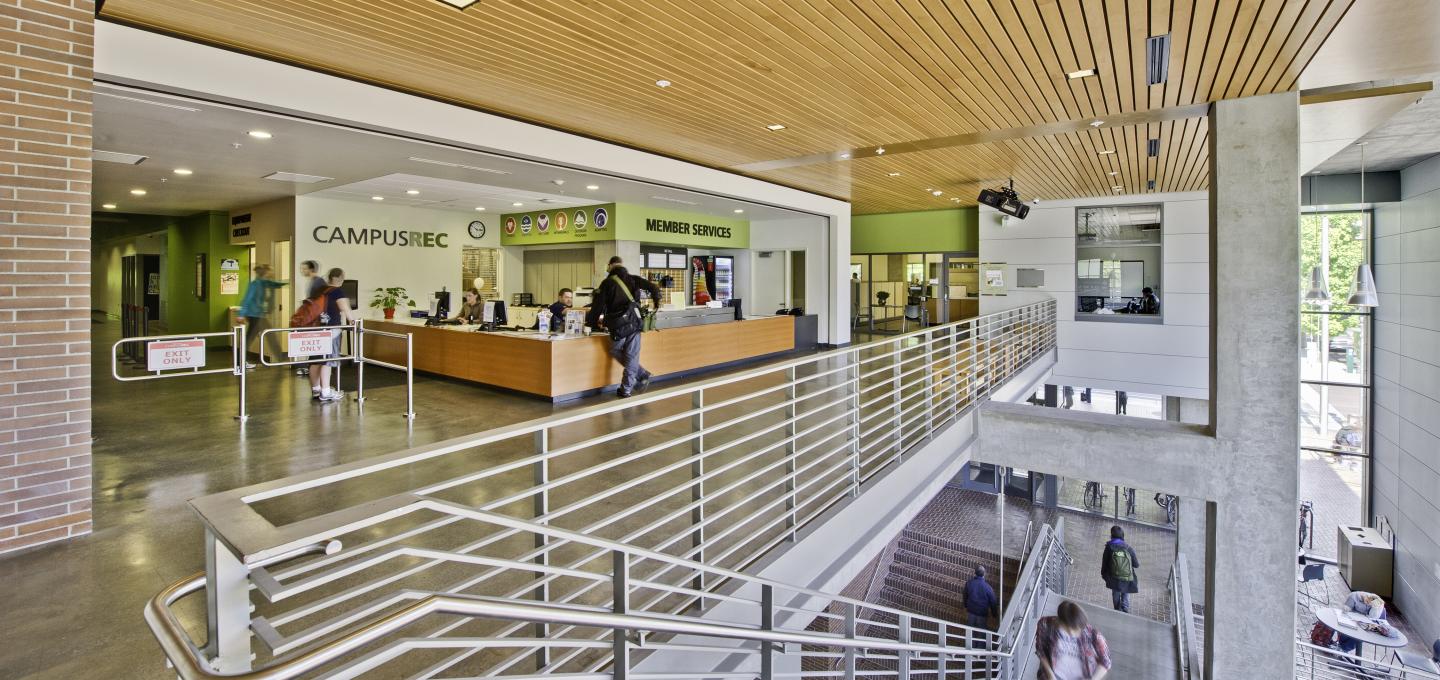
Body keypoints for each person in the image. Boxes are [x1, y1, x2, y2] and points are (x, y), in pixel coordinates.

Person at [587, 265, 661, 398]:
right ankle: (635, 380)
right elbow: (654, 288)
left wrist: (591, 324)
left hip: (618, 325)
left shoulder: (607, 283)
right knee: (632, 355)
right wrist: (656, 303)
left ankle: (629, 386)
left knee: (615, 350)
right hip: (635, 322)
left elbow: (597, 306)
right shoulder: (633, 279)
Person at [1035, 600, 1111, 680]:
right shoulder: (1045, 624)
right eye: (1071, 629)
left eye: (1078, 629)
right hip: (1054, 675)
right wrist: (1050, 674)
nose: (1075, 634)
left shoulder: (1093, 635)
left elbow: (1106, 662)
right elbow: (1041, 650)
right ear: (1061, 621)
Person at [309, 267, 352, 403]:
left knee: (315, 361)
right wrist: (353, 322)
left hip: (316, 329)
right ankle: (326, 392)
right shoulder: (337, 291)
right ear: (341, 278)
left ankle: (316, 389)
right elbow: (344, 308)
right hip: (331, 330)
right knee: (328, 361)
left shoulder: (320, 290)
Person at [238, 264, 286, 368]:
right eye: (271, 271)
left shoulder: (265, 283)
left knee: (267, 335)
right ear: (266, 272)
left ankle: (281, 359)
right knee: (253, 338)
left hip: (259, 314)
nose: (273, 272)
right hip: (254, 315)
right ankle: (240, 363)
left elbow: (276, 284)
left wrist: (290, 281)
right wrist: (241, 314)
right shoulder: (255, 284)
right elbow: (247, 298)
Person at [295, 260, 326, 376]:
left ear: (311, 269)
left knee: (317, 343)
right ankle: (311, 366)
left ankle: (313, 367)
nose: (302, 271)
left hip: (317, 318)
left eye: (304, 268)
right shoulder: (313, 281)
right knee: (313, 343)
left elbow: (319, 300)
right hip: (313, 317)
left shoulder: (318, 281)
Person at [1100, 525, 1139, 613]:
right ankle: (1125, 609)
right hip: (1127, 578)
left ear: (1112, 536)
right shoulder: (1128, 548)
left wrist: (1104, 574)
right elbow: (1136, 565)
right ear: (1122, 536)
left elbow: (1104, 562)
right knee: (1126, 592)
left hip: (1114, 578)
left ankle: (1117, 610)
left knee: (1115, 594)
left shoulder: (1109, 547)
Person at [1337, 591, 1387, 655]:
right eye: (1367, 602)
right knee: (1351, 631)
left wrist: (1375, 608)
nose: (1367, 604)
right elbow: (1345, 611)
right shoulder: (1354, 596)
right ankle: (1342, 648)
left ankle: (1344, 649)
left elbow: (1373, 618)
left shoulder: (1377, 603)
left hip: (1364, 624)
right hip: (1351, 621)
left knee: (1362, 635)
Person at [961, 565, 998, 631]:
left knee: (970, 630)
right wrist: (994, 614)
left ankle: (970, 641)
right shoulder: (988, 587)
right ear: (984, 574)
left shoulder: (969, 583)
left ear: (974, 573)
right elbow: (993, 602)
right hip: (982, 613)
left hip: (971, 610)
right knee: (981, 632)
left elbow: (965, 595)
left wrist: (966, 606)